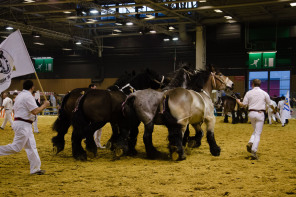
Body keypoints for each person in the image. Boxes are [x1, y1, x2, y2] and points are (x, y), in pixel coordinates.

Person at [0, 80, 50, 175]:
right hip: (23, 124)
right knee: (16, 148)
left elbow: (15, 109)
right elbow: (35, 111)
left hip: (23, 123)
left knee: (31, 146)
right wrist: (44, 105)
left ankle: (35, 169)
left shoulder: (19, 96)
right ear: (32, 87)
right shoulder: (28, 96)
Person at [236, 79, 274, 160]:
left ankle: (250, 142)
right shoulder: (264, 93)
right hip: (260, 114)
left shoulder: (248, 93)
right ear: (260, 85)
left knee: (255, 130)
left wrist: (238, 102)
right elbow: (270, 104)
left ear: (252, 84)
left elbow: (243, 105)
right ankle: (253, 151)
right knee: (258, 133)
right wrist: (274, 110)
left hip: (251, 114)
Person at [89, 84, 105, 149]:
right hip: (93, 115)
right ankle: (96, 144)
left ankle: (96, 144)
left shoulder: (95, 96)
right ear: (91, 88)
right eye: (94, 88)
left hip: (96, 114)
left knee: (98, 129)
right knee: (96, 129)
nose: (95, 90)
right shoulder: (90, 96)